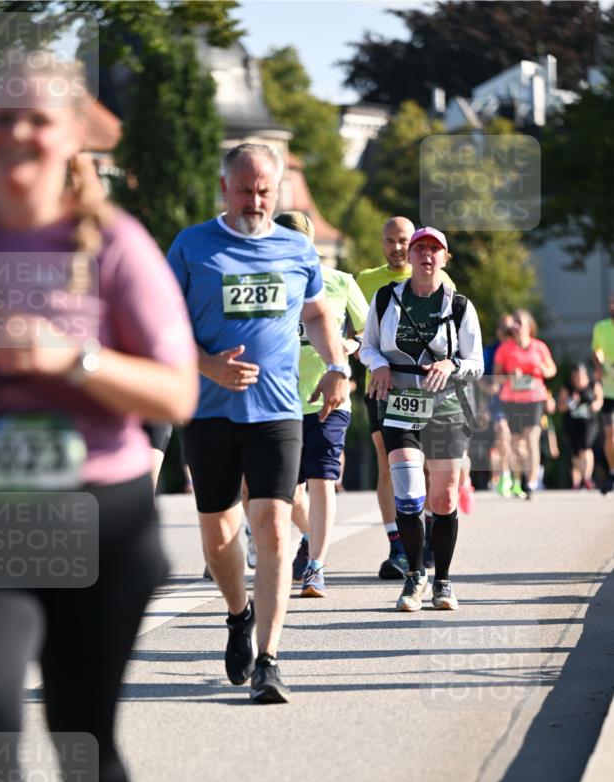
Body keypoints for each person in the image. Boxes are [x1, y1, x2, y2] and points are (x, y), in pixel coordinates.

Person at [0, 53, 198, 782]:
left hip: (100, 516)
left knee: (83, 740)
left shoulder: (117, 245)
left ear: (70, 137)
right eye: (0, 117)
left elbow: (173, 389)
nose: (16, 134)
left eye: (35, 120)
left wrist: (70, 354)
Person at [167, 143, 349, 703]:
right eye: (244, 190)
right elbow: (162, 324)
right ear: (224, 189)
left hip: (277, 410)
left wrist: (338, 365)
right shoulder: (192, 246)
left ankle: (270, 659)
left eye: (265, 191)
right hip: (209, 411)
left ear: (278, 190)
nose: (255, 201)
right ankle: (237, 613)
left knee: (272, 526)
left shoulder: (298, 248)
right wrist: (207, 366)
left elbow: (316, 311)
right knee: (220, 536)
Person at [361, 227, 483, 612]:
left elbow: (477, 364)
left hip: (446, 409)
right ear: (410, 257)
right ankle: (415, 576)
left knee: (444, 497)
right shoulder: (385, 299)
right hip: (400, 405)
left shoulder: (460, 306)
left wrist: (452, 364)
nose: (427, 255)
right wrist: (379, 365)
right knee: (409, 494)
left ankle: (443, 581)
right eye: (420, 249)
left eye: (435, 250)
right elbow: (367, 346)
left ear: (445, 259)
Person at [274, 210, 367, 597]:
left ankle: (315, 566)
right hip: (279, 400)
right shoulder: (269, 284)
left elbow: (368, 333)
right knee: (289, 492)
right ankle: (313, 535)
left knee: (322, 481)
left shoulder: (341, 282)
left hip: (330, 399)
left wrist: (349, 346)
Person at [357, 217, 455, 578]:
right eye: (390, 241)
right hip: (383, 388)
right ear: (382, 243)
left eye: (403, 241)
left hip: (429, 389)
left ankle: (427, 532)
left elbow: (454, 337)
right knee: (389, 463)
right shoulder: (366, 281)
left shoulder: (441, 282)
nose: (397, 248)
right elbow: (356, 333)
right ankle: (397, 543)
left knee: (427, 465)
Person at [493, 309, 557, 499]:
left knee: (531, 439)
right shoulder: (505, 348)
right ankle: (516, 480)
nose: (515, 326)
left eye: (519, 322)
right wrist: (510, 376)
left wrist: (543, 370)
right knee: (514, 444)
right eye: (514, 322)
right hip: (511, 400)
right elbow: (496, 376)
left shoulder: (539, 347)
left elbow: (552, 369)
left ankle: (531, 483)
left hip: (534, 398)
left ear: (529, 326)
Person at [482, 314, 514, 495]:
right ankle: (504, 475)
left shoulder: (520, 348)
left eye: (509, 327)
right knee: (503, 434)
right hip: (497, 401)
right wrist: (487, 387)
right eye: (503, 327)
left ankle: (517, 477)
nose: (507, 331)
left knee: (517, 441)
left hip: (520, 401)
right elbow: (479, 373)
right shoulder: (490, 350)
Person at [557, 364, 603, 489]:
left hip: (589, 423)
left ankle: (587, 478)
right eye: (575, 376)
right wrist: (571, 401)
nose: (577, 379)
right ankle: (576, 482)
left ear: (585, 375)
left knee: (586, 448)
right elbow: (561, 407)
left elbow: (599, 400)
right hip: (572, 424)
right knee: (575, 454)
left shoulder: (593, 384)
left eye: (580, 376)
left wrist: (595, 405)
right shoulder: (568, 387)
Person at [591, 295, 614, 493]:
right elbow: (596, 352)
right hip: (608, 391)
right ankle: (612, 472)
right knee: (610, 434)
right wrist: (599, 364)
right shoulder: (601, 327)